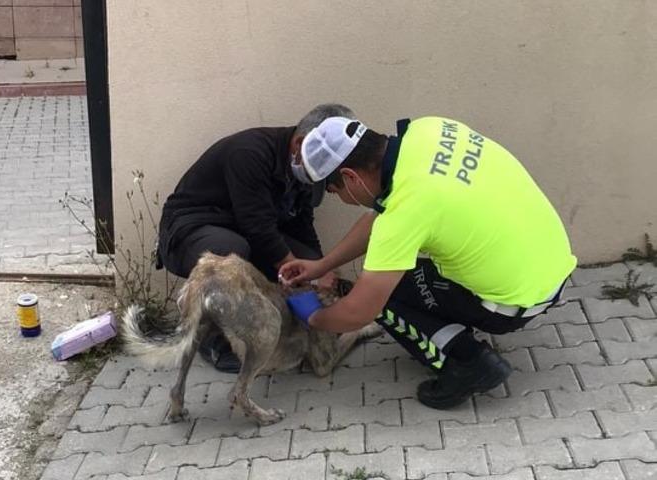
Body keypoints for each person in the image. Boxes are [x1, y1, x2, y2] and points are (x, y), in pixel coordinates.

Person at [279, 115, 576, 409]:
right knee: (401, 275)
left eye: (332, 190)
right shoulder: (428, 131)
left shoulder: (405, 213)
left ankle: (469, 362)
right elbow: (381, 218)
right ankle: (458, 323)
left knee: (384, 298)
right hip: (550, 267)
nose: (335, 195)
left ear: (350, 177)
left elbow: (359, 311)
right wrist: (322, 265)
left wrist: (315, 318)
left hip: (516, 302)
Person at [157, 104, 355, 373]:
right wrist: (303, 272)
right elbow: (258, 227)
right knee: (232, 253)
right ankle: (211, 338)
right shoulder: (250, 154)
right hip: (192, 231)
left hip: (244, 232)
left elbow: (302, 226)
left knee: (305, 262)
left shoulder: (306, 170)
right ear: (299, 144)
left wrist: (319, 266)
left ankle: (296, 328)